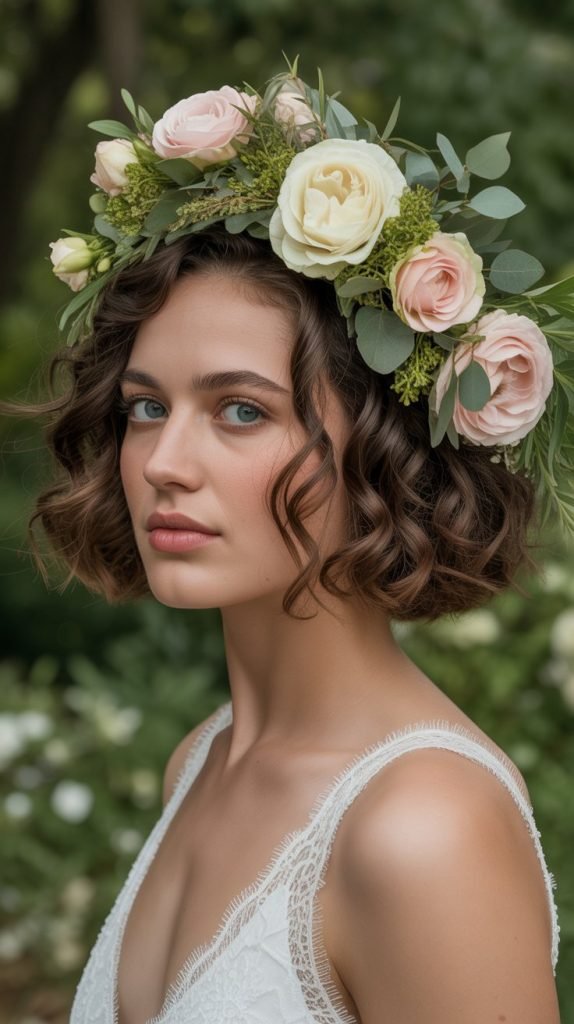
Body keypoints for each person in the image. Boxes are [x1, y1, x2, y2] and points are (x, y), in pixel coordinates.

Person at [15, 64, 570, 1022]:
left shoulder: (423, 829)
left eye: (240, 410)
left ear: (385, 447)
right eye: (146, 408)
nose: (163, 463)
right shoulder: (202, 759)